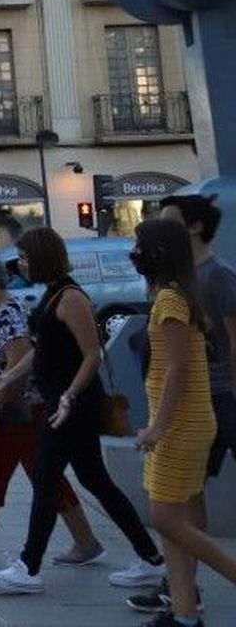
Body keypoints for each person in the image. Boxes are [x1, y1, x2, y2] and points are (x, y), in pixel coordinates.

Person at [0, 227, 164, 594]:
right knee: (96, 481)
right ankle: (151, 559)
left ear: (43, 257)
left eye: (26, 258)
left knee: (46, 482)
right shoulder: (53, 295)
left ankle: (27, 568)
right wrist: (8, 378)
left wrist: (67, 397)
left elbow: (93, 355)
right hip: (64, 405)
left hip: (72, 409)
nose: (22, 265)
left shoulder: (70, 297)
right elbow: (41, 351)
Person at [0, 253, 102, 565]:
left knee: (42, 476)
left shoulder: (7, 314)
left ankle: (85, 540)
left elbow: (20, 362)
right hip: (14, 410)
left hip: (22, 410)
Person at [125, 219, 236, 627]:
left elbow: (176, 369)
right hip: (184, 423)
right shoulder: (175, 295)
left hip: (180, 426)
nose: (134, 252)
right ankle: (184, 613)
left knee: (167, 519)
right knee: (174, 525)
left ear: (157, 252)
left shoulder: (170, 300)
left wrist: (157, 427)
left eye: (139, 244)